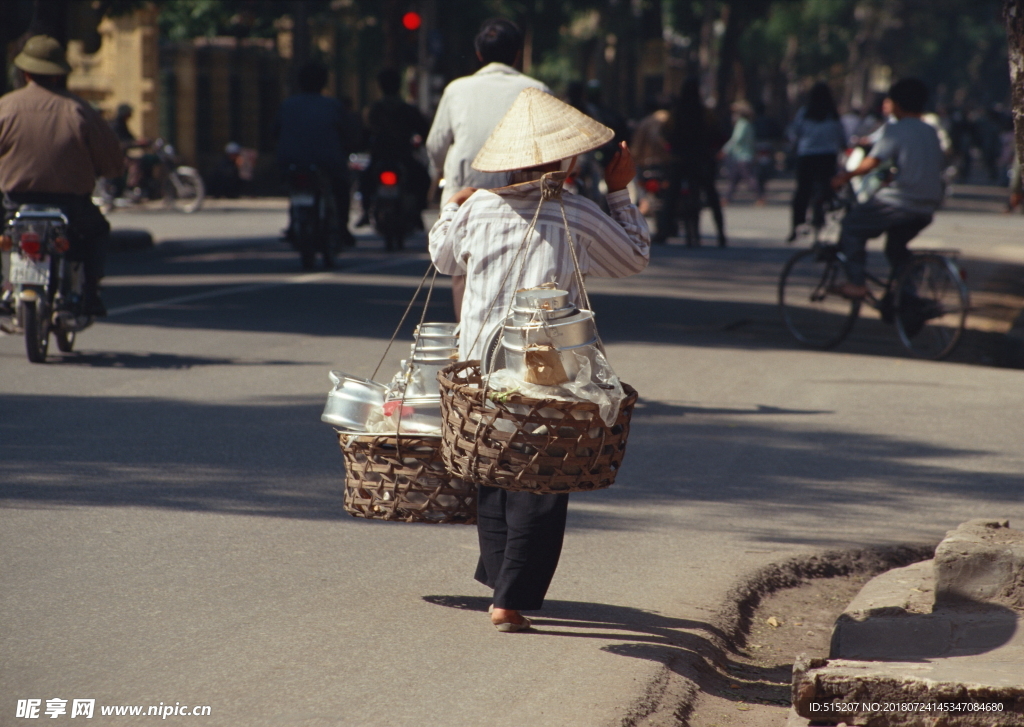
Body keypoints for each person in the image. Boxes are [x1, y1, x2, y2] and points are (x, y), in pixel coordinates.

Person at [429, 88, 649, 632]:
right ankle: (509, 596)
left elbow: (440, 256)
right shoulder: (579, 213)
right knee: (542, 479)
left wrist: (448, 206)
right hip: (546, 372)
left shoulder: (478, 207)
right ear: (568, 161)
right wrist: (620, 193)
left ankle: (503, 582)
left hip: (479, 366)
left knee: (495, 466)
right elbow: (634, 259)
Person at [425, 18, 549, 318]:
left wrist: (437, 178)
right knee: (525, 270)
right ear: (517, 54)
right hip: (521, 197)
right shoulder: (537, 89)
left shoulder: (457, 89)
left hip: (466, 195)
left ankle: (466, 346)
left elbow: (436, 144)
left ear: (479, 54)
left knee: (462, 269)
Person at [0, 35, 123, 316]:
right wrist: (112, 171)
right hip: (70, 205)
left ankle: (7, 288)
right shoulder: (78, 110)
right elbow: (109, 156)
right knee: (97, 231)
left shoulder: (5, 107)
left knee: (7, 235)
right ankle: (90, 293)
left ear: (26, 72)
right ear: (57, 76)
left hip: (16, 203)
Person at [830, 79, 944, 301]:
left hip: (900, 202)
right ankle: (907, 297)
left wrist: (843, 177)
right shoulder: (930, 130)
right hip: (927, 205)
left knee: (851, 227)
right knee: (895, 248)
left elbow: (872, 161)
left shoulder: (896, 129)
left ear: (898, 104)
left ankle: (856, 283)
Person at [274, 61, 357, 247]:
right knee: (341, 188)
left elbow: (274, 132)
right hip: (328, 162)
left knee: (293, 189)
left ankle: (292, 224)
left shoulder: (288, 105)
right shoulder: (333, 106)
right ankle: (342, 227)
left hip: (290, 161)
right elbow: (349, 133)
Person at [658, 77, 726, 247]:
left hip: (679, 159)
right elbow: (718, 133)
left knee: (671, 196)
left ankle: (664, 231)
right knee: (711, 194)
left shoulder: (676, 113)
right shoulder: (705, 112)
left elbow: (665, 132)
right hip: (700, 159)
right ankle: (721, 233)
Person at [363, 67, 430, 225]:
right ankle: (418, 213)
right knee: (422, 178)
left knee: (365, 179)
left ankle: (366, 212)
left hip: (380, 156)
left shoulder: (373, 110)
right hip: (403, 156)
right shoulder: (408, 109)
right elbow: (424, 130)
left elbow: (364, 133)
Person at [786, 82, 847, 242]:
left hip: (806, 156)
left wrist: (794, 147)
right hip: (827, 157)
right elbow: (841, 137)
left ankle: (796, 226)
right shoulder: (833, 115)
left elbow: (794, 133)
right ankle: (823, 213)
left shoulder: (805, 113)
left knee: (802, 191)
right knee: (827, 188)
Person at [722, 100, 756, 203]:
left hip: (743, 156)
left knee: (748, 178)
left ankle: (760, 196)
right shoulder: (747, 124)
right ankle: (726, 198)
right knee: (733, 179)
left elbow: (736, 139)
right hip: (739, 156)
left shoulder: (742, 124)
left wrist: (725, 150)